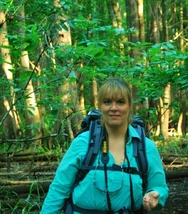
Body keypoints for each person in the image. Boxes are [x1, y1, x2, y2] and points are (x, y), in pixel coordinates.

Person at [40, 77, 169, 214]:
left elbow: (159, 187)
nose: (114, 108)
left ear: (129, 106)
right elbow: (59, 189)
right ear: (100, 106)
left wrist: (155, 196)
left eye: (120, 102)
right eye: (107, 102)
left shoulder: (145, 147)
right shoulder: (83, 143)